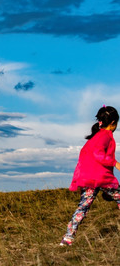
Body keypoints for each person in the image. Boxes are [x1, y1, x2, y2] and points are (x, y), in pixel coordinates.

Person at [60, 105, 120, 246]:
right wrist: (115, 163)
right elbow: (98, 154)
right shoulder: (105, 136)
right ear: (113, 123)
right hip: (101, 178)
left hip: (89, 178)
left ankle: (67, 238)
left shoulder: (94, 137)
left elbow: (85, 156)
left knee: (82, 208)